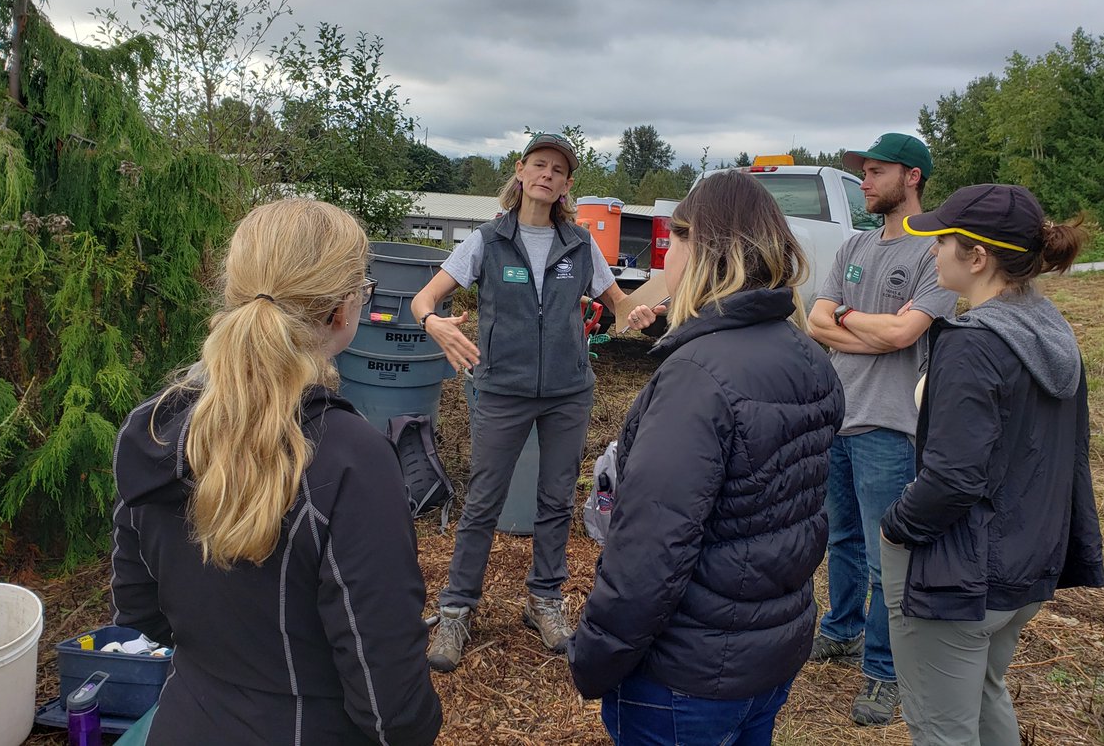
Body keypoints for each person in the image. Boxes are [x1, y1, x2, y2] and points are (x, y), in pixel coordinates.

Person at [110, 199, 442, 745]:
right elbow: (391, 710)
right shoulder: (352, 458)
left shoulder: (155, 430)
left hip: (186, 720)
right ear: (341, 309)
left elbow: (137, 605)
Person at [568, 171, 845, 746]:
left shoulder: (697, 380)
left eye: (675, 242)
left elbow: (651, 549)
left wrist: (595, 656)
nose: (667, 258)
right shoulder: (807, 355)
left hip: (684, 678)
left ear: (703, 248)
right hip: (768, 655)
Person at [880, 184, 1104, 745]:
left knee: (941, 729)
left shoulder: (973, 344)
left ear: (976, 257)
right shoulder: (1049, 331)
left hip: (959, 574)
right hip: (1027, 563)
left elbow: (953, 477)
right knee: (984, 691)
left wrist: (896, 528)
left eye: (941, 242)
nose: (931, 252)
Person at [412, 131, 627, 672]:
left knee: (555, 501)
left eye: (558, 169)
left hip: (568, 393)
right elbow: (423, 299)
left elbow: (622, 306)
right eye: (539, 164)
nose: (547, 174)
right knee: (483, 502)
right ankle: (458, 608)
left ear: (566, 184)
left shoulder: (579, 244)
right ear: (521, 171)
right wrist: (435, 323)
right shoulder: (486, 240)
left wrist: (641, 314)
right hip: (502, 390)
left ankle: (544, 601)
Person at [806, 132, 959, 726]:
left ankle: (884, 671)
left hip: (891, 427)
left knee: (884, 558)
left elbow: (905, 336)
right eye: (863, 172)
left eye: (876, 171)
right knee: (839, 540)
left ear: (912, 177)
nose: (864, 181)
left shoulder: (935, 255)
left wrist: (849, 321)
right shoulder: (854, 243)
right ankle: (840, 630)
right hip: (837, 420)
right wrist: (855, 321)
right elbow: (817, 320)